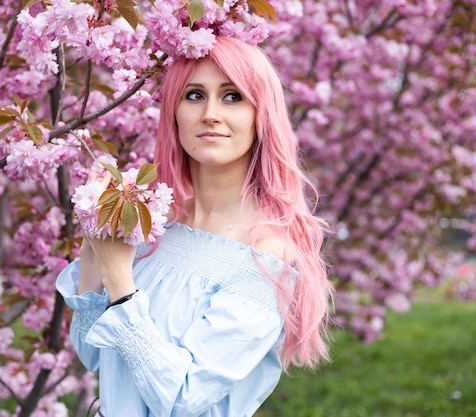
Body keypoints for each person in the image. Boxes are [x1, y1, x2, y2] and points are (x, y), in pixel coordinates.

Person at [56, 36, 333, 417]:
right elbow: (94, 355)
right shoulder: (155, 224)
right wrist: (95, 245)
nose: (211, 114)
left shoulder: (264, 255)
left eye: (232, 96)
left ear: (260, 115)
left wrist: (120, 278)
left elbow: (182, 400)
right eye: (195, 95)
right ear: (173, 112)